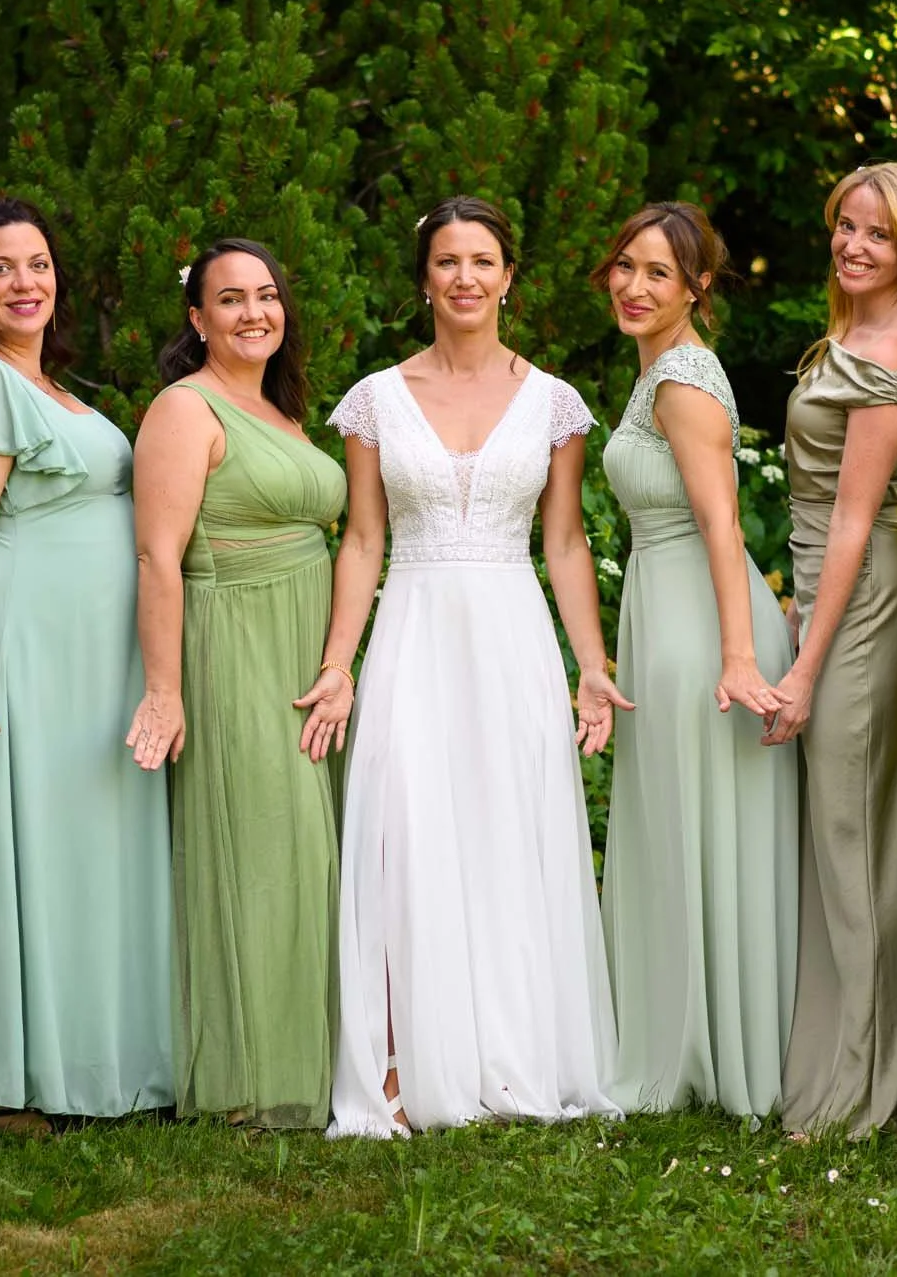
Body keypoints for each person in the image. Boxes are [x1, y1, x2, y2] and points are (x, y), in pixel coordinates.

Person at [301, 196, 626, 1138]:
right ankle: (399, 1060)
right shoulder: (374, 398)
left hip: (512, 631)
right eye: (447, 261)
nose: (465, 278)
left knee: (506, 826)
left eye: (482, 260)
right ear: (425, 280)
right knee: (408, 825)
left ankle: (513, 1051)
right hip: (412, 623)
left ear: (509, 276)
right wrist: (339, 662)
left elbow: (563, 543)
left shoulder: (555, 402)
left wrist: (591, 665)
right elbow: (361, 538)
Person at [0, 200, 173, 1128]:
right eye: (2, 268)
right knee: (11, 849)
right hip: (9, 648)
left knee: (69, 854)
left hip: (81, 662)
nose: (26, 283)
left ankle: (80, 1053)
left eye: (39, 264)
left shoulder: (54, 386)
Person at [128, 239, 346, 1129]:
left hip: (304, 645)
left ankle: (326, 1057)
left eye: (266, 294)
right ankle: (252, 1075)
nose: (253, 312)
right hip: (235, 642)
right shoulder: (185, 409)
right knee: (262, 846)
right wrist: (166, 689)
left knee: (312, 852)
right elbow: (157, 555)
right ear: (197, 318)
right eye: (229, 299)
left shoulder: (283, 413)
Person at [772, 161, 897, 1139]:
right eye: (843, 225)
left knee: (853, 833)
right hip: (827, 590)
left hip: (867, 602)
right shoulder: (844, 333)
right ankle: (869, 1052)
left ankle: (861, 1083)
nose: (852, 245)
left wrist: (804, 665)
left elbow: (850, 521)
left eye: (875, 234)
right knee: (850, 831)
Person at [592, 202, 799, 1119]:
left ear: (697, 289)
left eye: (659, 275)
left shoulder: (682, 378)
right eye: (626, 267)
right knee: (682, 824)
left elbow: (723, 522)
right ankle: (683, 1028)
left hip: (698, 629)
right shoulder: (654, 370)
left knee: (700, 824)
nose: (636, 287)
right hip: (665, 610)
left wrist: (740, 657)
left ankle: (720, 1049)